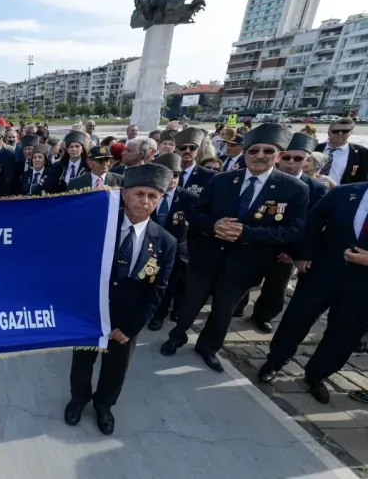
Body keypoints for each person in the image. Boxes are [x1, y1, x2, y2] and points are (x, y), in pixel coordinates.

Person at [160, 124, 309, 372]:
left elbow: (293, 230)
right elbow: (196, 212)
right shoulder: (223, 180)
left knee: (223, 310)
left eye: (267, 150)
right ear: (246, 153)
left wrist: (246, 233)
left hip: (246, 263)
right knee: (190, 303)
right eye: (254, 150)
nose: (259, 155)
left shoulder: (293, 189)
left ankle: (208, 348)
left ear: (279, 155)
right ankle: (176, 336)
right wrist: (214, 225)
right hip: (207, 257)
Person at [65, 163, 177, 435]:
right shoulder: (100, 223)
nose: (145, 201)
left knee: (116, 368)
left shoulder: (165, 241)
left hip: (126, 319)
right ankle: (79, 399)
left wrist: (131, 328)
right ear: (125, 193)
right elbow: (76, 265)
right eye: (139, 193)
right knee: (82, 362)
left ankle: (104, 406)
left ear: (160, 200)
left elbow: (158, 290)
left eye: (153, 196)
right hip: (91, 313)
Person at [257, 180, 368, 404]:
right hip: (321, 272)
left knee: (344, 333)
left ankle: (316, 375)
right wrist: (303, 254)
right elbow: (311, 223)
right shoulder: (344, 192)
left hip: (362, 287)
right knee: (297, 319)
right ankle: (275, 361)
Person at [242, 132, 328, 332]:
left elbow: (312, 225)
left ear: (307, 160)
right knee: (245, 277)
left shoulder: (315, 189)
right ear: (279, 156)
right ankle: (238, 306)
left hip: (287, 248)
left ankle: (263, 315)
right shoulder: (261, 177)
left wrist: (296, 252)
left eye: (298, 158)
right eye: (287, 157)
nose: (290, 163)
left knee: (276, 286)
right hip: (254, 239)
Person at [147, 153, 198, 330]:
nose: (172, 179)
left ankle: (159, 315)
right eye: (168, 174)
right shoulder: (148, 193)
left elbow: (196, 228)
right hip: (149, 249)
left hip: (176, 252)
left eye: (176, 174)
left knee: (168, 285)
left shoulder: (189, 199)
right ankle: (146, 310)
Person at [315, 117, 368, 185]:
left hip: (342, 193)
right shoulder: (315, 148)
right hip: (313, 192)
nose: (340, 134)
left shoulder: (362, 153)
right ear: (328, 133)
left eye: (345, 131)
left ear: (350, 133)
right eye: (335, 131)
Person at [173, 127, 216, 195]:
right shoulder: (168, 172)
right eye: (183, 148)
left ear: (197, 150)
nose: (187, 151)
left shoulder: (210, 176)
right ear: (175, 149)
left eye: (192, 148)